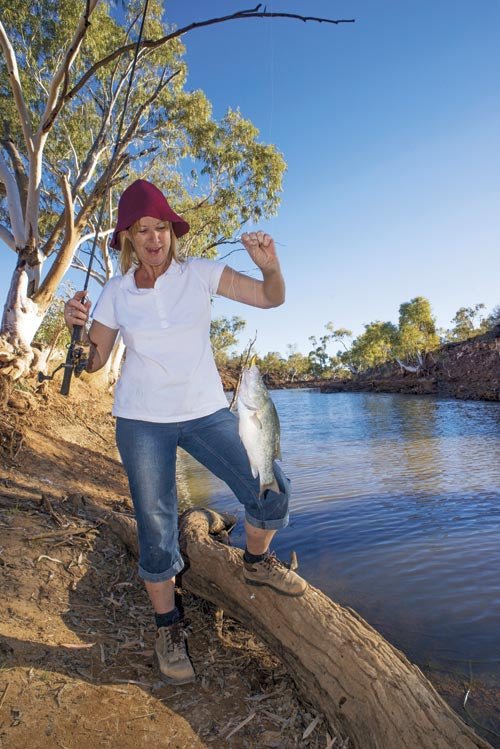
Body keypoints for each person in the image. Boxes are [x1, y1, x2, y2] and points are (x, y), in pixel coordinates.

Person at [64, 179, 306, 686]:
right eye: (142, 229)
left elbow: (269, 298)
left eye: (162, 228)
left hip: (206, 412)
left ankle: (256, 562)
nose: (154, 238)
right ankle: (167, 627)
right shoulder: (115, 291)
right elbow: (94, 362)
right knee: (156, 524)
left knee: (272, 488)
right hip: (140, 420)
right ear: (128, 237)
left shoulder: (200, 274)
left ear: (173, 233)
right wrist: (78, 330)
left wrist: (270, 267)